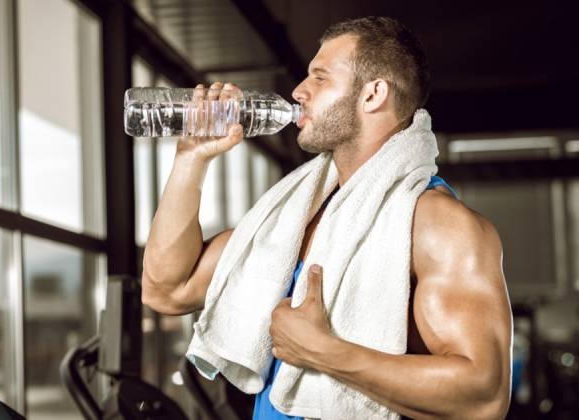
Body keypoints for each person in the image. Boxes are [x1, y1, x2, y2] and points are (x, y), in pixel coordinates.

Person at [141, 16, 512, 419]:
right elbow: (166, 288)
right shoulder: (289, 219)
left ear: (373, 95)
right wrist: (190, 159)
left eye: (319, 77)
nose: (299, 91)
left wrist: (323, 352)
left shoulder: (437, 224)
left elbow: (484, 396)